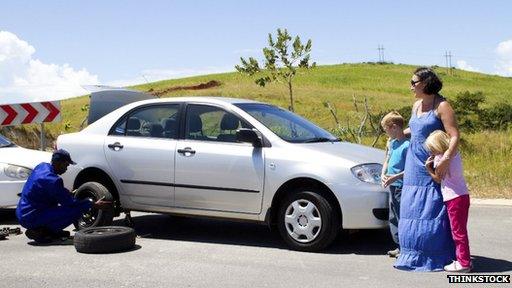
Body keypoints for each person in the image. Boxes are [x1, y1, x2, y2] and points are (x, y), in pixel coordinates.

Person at [394, 67, 460, 271]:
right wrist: (397, 134)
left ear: (425, 83)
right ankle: (412, 253)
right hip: (413, 164)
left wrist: (446, 160)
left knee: (432, 209)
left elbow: (454, 135)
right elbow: (415, 129)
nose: (411, 86)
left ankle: (434, 254)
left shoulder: (442, 106)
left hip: (432, 164)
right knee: (411, 208)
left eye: (414, 82)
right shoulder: (415, 105)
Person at [16, 149, 111, 243]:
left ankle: (48, 229)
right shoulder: (53, 180)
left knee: (55, 204)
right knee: (77, 210)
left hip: (22, 212)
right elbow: (70, 203)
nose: (66, 168)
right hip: (32, 217)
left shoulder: (41, 166)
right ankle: (42, 232)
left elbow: (46, 190)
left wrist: (64, 192)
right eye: (66, 165)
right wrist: (92, 204)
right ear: (59, 163)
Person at [425, 130, 471, 273]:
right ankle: (464, 260)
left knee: (457, 232)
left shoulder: (440, 158)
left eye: (432, 147)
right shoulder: (455, 155)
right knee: (461, 230)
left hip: (453, 198)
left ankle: (464, 263)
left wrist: (428, 168)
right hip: (463, 195)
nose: (431, 151)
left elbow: (438, 178)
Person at [380, 111, 410, 258]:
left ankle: (405, 247)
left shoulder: (406, 145)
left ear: (393, 127)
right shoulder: (392, 143)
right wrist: (383, 173)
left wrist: (394, 177)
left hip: (400, 185)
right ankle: (398, 245)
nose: (386, 133)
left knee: (401, 215)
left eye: (386, 129)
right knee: (393, 215)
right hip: (391, 184)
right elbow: (387, 159)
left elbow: (409, 169)